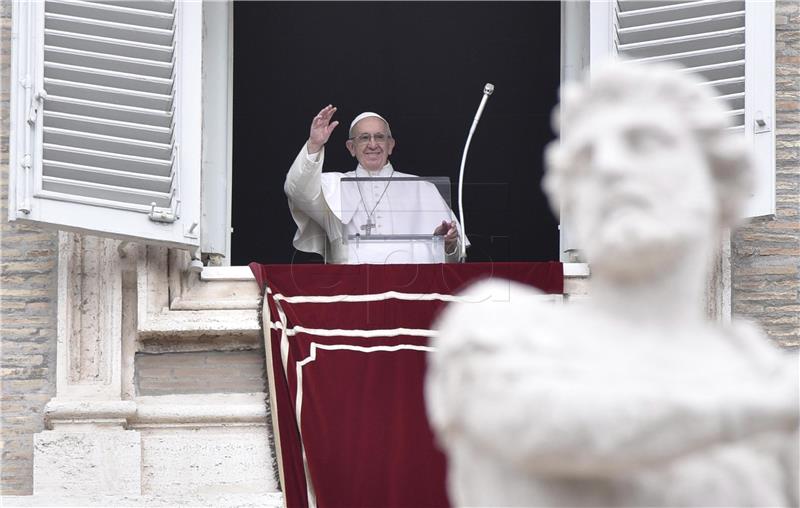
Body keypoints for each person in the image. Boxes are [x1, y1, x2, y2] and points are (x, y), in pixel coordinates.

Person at [426, 61, 798, 507]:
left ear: (719, 183)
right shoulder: (505, 328)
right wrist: (764, 407)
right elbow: (546, 428)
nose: (607, 167)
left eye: (643, 142)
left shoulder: (758, 366)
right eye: (583, 160)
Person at [285, 106, 464, 263]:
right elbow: (297, 190)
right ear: (351, 148)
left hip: (410, 289)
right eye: (364, 138)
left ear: (391, 145)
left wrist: (448, 244)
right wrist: (315, 144)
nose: (372, 144)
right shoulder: (332, 185)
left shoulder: (422, 188)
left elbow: (455, 257)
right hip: (349, 289)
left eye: (379, 137)